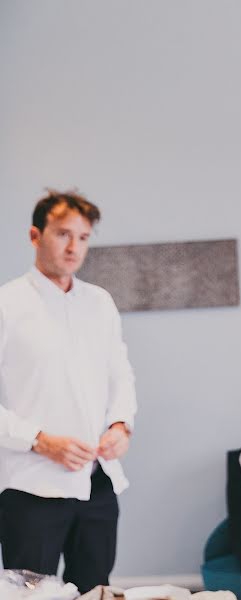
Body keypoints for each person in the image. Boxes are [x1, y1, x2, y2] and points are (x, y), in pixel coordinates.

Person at [0, 190, 137, 593]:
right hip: (31, 487)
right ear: (34, 235)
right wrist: (40, 441)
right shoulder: (5, 305)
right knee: (31, 595)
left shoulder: (100, 302)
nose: (74, 246)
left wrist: (120, 426)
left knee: (95, 590)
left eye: (83, 236)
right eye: (63, 234)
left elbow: (121, 374)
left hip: (98, 483)